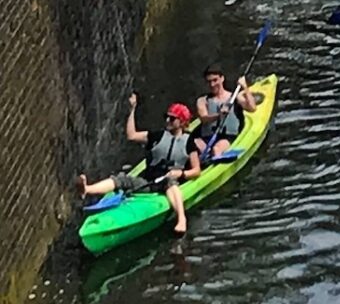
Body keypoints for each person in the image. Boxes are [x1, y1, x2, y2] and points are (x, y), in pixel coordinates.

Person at [76, 94, 200, 236]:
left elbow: (196, 170)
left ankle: (181, 219)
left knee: (170, 182)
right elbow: (132, 135)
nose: (167, 120)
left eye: (172, 118)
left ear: (182, 122)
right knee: (121, 179)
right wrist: (132, 110)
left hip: (169, 182)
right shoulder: (157, 136)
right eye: (167, 117)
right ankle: (87, 189)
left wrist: (181, 173)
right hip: (148, 181)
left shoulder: (189, 142)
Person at [194, 64, 258, 157]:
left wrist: (245, 87)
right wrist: (218, 115)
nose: (212, 84)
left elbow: (252, 108)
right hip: (208, 137)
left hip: (228, 137)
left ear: (222, 79)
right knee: (193, 145)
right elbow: (204, 118)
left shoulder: (235, 97)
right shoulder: (202, 100)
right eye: (209, 82)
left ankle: (216, 160)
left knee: (216, 149)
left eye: (215, 80)